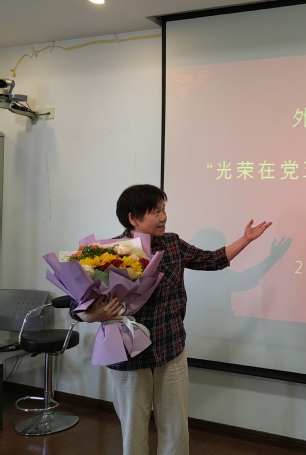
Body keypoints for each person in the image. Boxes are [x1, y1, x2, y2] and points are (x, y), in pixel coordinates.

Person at [71, 184, 271, 455]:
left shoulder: (173, 244)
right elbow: (77, 303)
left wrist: (246, 239)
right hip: (128, 354)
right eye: (156, 212)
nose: (164, 217)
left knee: (175, 427)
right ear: (133, 218)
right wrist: (95, 315)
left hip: (170, 346)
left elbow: (211, 260)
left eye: (164, 210)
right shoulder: (108, 253)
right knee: (133, 427)